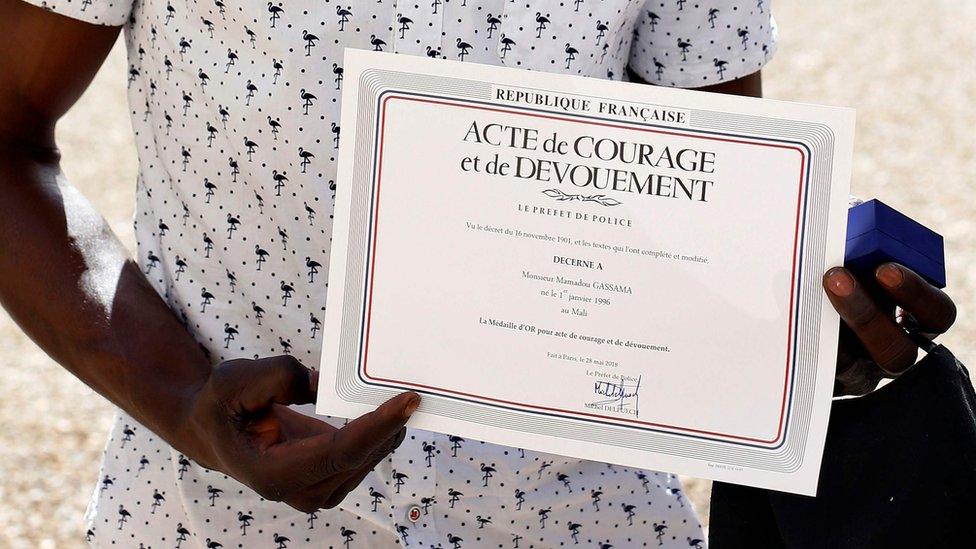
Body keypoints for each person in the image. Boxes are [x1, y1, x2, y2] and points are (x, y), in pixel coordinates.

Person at [0, 0, 957, 547]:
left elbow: (708, 220)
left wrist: (801, 346)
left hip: (582, 519)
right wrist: (182, 406)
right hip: (213, 519)